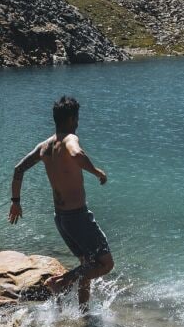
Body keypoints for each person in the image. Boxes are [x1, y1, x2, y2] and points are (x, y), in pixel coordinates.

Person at [9, 95, 114, 310]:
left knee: (87, 266)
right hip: (78, 217)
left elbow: (18, 169)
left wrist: (16, 202)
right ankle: (60, 282)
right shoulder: (69, 139)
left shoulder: (44, 146)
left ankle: (84, 313)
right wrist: (97, 172)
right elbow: (77, 154)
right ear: (70, 119)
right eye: (76, 118)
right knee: (105, 264)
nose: (78, 123)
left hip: (62, 219)